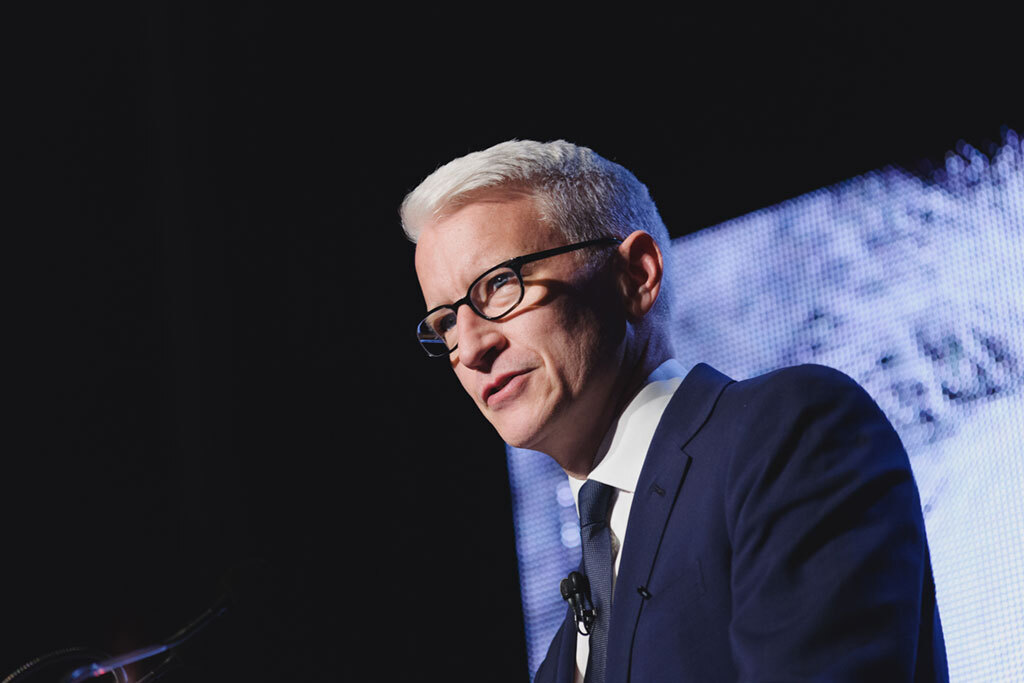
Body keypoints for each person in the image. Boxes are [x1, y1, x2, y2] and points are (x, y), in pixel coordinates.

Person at [401, 139, 947, 681]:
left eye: (498, 285)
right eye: (446, 322)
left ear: (636, 276)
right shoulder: (561, 659)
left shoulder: (791, 430)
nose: (470, 349)